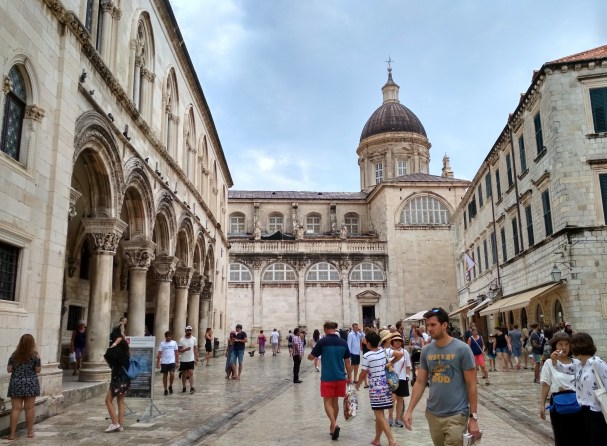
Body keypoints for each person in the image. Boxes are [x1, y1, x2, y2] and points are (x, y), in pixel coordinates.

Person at [404, 308, 481, 446]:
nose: (429, 329)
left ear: (444, 325)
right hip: (433, 414)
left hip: (457, 414)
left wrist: (473, 418)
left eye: (433, 325)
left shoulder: (462, 349)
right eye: (428, 325)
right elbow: (420, 382)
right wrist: (409, 410)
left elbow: (472, 385)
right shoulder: (426, 350)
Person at [550, 332, 607, 445]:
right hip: (583, 410)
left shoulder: (597, 363)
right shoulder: (580, 364)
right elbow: (563, 369)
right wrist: (554, 359)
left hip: (597, 411)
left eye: (571, 345)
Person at [539, 332, 588, 446]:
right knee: (562, 436)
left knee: (580, 435)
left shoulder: (577, 362)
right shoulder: (549, 363)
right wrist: (542, 404)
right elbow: (546, 384)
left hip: (577, 402)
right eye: (560, 344)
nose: (564, 347)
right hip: (558, 403)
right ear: (555, 346)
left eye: (566, 344)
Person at [308, 321, 353, 441]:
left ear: (326, 329)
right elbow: (347, 361)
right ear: (335, 329)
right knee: (335, 402)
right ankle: (332, 427)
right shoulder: (343, 342)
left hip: (327, 377)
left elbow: (311, 357)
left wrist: (310, 355)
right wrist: (349, 376)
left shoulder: (322, 342)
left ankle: (334, 424)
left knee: (327, 402)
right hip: (340, 377)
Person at [356, 331, 402, 446]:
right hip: (386, 387)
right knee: (379, 414)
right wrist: (391, 363)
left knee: (380, 416)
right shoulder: (385, 351)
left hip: (376, 389)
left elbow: (363, 373)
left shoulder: (367, 356)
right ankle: (377, 439)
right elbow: (400, 354)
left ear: (369, 343)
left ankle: (392, 440)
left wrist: (357, 384)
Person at [6, 334, 41, 440]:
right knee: (29, 408)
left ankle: (12, 434)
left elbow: (9, 369)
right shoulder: (35, 355)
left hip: (16, 383)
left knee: (15, 409)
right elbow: (38, 370)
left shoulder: (14, 354)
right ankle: (30, 433)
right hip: (30, 383)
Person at [103, 336, 130, 432]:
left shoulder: (117, 353)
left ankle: (115, 423)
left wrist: (114, 343)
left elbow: (107, 354)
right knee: (120, 401)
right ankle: (120, 425)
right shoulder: (126, 354)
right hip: (125, 380)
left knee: (108, 400)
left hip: (117, 379)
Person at [386, 332, 411, 429]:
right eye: (396, 340)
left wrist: (407, 376)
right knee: (392, 399)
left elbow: (408, 366)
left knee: (400, 400)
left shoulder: (405, 352)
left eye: (400, 340)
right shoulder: (388, 351)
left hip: (402, 378)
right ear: (392, 341)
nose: (398, 342)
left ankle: (398, 418)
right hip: (391, 378)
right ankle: (390, 417)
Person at [156, 331, 179, 396]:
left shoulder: (174, 343)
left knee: (172, 374)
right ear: (165, 337)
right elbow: (159, 353)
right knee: (165, 376)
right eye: (167, 336)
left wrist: (177, 361)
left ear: (171, 336)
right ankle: (165, 389)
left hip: (171, 361)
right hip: (164, 362)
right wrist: (158, 362)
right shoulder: (162, 343)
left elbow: (176, 352)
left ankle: (170, 385)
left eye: (169, 336)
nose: (168, 337)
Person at [178, 325, 198, 393]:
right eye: (187, 330)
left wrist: (196, 358)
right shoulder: (181, 340)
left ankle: (192, 387)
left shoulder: (194, 339)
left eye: (190, 330)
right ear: (185, 331)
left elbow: (195, 349)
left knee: (190, 373)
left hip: (191, 359)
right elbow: (179, 350)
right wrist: (185, 349)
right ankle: (184, 387)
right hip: (183, 359)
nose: (189, 331)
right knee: (184, 374)